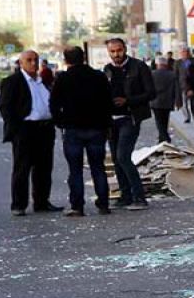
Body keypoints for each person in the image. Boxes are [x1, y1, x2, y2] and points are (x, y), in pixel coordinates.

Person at [49, 46, 113, 217]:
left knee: (75, 170)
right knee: (98, 168)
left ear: (66, 60)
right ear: (83, 57)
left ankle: (77, 206)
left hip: (72, 129)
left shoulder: (63, 78)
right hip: (96, 128)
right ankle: (103, 204)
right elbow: (108, 103)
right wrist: (107, 126)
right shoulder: (98, 76)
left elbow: (54, 103)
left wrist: (60, 122)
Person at [0, 50, 63, 216]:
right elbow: (6, 107)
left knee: (44, 168)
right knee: (22, 168)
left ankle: (41, 202)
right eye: (29, 60)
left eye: (35, 60)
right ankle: (19, 205)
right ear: (21, 63)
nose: (33, 63)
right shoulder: (13, 81)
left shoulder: (42, 81)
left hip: (45, 129)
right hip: (25, 130)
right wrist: (17, 129)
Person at [103, 37, 155, 211]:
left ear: (125, 49)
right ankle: (125, 195)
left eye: (119, 50)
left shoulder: (138, 67)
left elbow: (150, 93)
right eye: (112, 51)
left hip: (130, 118)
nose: (116, 54)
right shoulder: (107, 70)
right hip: (112, 120)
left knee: (123, 156)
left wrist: (128, 101)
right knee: (117, 160)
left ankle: (139, 196)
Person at [150, 57, 180, 143]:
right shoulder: (172, 74)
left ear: (157, 64)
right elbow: (177, 89)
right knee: (165, 120)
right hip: (168, 101)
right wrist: (178, 101)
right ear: (166, 64)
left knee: (159, 121)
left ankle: (165, 138)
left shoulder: (152, 74)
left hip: (155, 101)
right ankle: (162, 138)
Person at [174, 47, 194, 123]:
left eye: (186, 52)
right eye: (183, 52)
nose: (185, 54)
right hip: (183, 86)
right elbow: (176, 74)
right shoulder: (178, 62)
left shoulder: (193, 61)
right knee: (184, 103)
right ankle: (187, 117)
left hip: (193, 85)